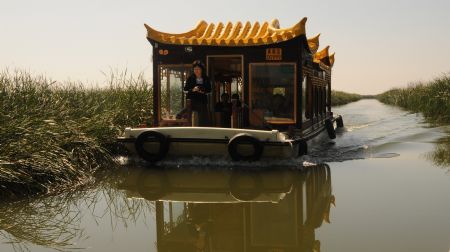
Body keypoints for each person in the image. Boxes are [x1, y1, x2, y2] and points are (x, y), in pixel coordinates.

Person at [183, 60, 211, 126]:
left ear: (202, 70)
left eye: (198, 69)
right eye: (195, 69)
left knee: (203, 119)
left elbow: (210, 90)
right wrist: (193, 89)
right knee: (190, 118)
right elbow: (185, 90)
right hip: (192, 101)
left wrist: (203, 91)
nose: (196, 71)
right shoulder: (190, 78)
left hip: (202, 101)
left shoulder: (206, 78)